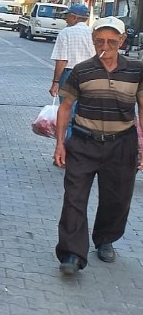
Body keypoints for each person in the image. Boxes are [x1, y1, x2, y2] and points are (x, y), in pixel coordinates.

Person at [54, 16, 143, 275]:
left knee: (117, 198)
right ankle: (71, 253)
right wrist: (60, 144)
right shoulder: (81, 70)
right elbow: (65, 107)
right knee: (74, 198)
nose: (106, 46)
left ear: (122, 41)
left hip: (122, 144)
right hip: (83, 142)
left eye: (112, 41)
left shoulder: (136, 70)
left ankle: (105, 239)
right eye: (100, 41)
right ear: (93, 41)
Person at [49, 4, 95, 139]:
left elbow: (62, 60)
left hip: (70, 75)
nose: (65, 19)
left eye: (67, 16)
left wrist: (55, 82)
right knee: (83, 115)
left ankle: (65, 151)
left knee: (67, 114)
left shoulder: (65, 33)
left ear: (75, 17)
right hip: (90, 76)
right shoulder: (93, 33)